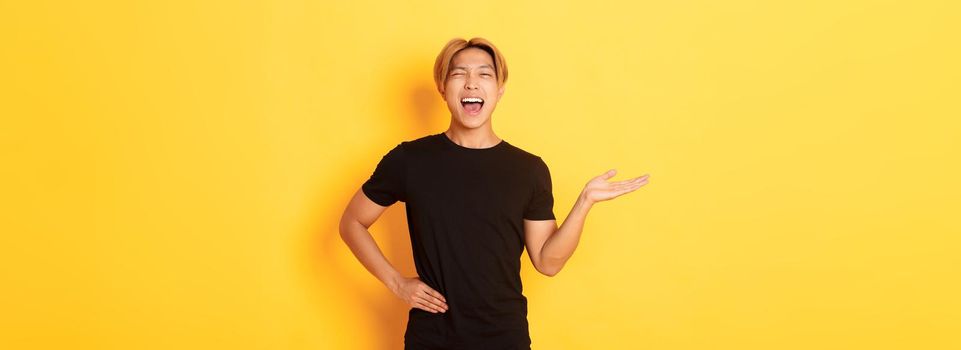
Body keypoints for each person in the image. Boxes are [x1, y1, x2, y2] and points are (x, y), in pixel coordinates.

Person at [338, 37, 650, 350]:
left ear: (500, 89)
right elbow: (352, 222)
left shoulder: (528, 170)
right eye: (459, 74)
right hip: (432, 338)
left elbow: (547, 262)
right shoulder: (409, 160)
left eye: (484, 74)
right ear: (442, 88)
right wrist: (396, 282)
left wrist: (585, 203)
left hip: (504, 337)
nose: (472, 84)